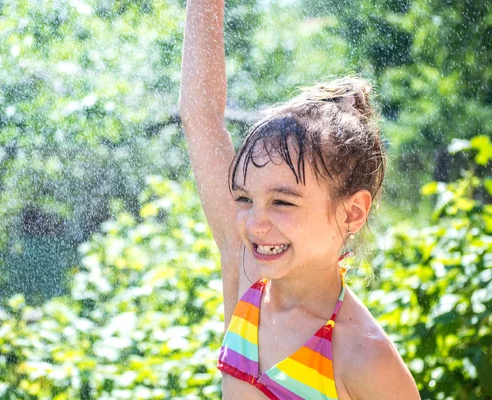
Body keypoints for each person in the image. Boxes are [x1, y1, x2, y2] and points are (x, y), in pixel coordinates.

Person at [179, 0, 421, 399]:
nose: (255, 223)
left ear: (352, 211)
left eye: (283, 202)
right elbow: (199, 112)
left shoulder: (363, 357)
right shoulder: (248, 275)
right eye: (243, 198)